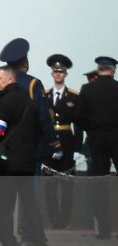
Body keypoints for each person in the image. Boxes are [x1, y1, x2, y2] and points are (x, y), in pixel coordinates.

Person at [0, 64, 48, 246]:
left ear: (10, 79)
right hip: (27, 162)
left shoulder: (4, 101)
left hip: (8, 164)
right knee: (30, 206)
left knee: (5, 207)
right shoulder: (29, 101)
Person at [76, 55, 118, 240]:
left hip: (96, 138)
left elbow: (78, 116)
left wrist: (92, 129)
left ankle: (104, 229)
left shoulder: (87, 89)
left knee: (99, 184)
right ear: (113, 70)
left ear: (99, 69)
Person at [45, 53, 82, 229]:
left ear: (66, 74)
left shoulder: (74, 96)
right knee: (49, 184)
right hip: (49, 144)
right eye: (55, 71)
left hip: (67, 142)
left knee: (67, 184)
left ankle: (63, 220)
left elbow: (79, 124)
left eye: (61, 71)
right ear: (52, 74)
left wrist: (77, 148)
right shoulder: (44, 95)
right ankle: (53, 219)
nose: (58, 74)